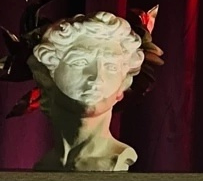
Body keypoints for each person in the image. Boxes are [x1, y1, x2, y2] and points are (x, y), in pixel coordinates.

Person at [27, 11, 145, 171]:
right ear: (49, 77)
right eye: (80, 62)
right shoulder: (47, 165)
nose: (97, 77)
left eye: (111, 67)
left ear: (121, 87)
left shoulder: (116, 159)